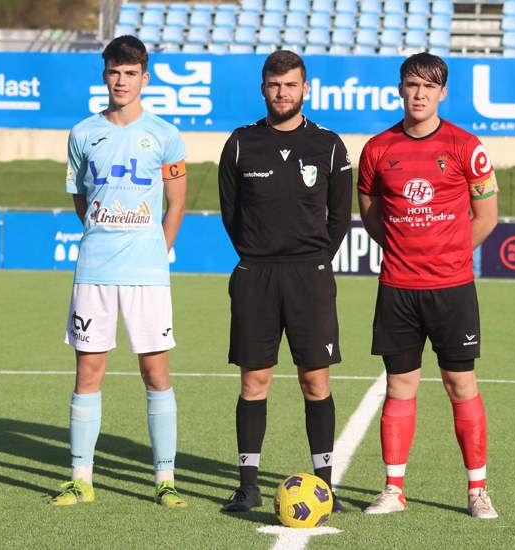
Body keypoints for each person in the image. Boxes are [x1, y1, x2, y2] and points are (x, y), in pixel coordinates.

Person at [357, 52, 500, 518]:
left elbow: (487, 216)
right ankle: (393, 490)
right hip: (398, 288)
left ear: (442, 93)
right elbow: (372, 215)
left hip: (452, 289)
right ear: (399, 89)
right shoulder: (377, 149)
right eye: (411, 85)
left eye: (428, 86)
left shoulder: (465, 145)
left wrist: (451, 255)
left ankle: (477, 490)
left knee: (461, 384)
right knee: (399, 386)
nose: (419, 94)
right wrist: (403, 249)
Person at [50, 35, 188, 509]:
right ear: (104, 75)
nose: (121, 81)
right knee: (89, 371)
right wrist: (103, 231)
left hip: (146, 273)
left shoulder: (166, 135)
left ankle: (165, 479)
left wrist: (156, 249)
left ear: (145, 78)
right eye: (114, 72)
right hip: (94, 270)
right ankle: (80, 479)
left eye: (131, 73)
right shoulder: (83, 133)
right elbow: (79, 199)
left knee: (155, 371)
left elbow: (177, 203)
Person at [217, 50, 352, 513]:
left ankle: (325, 485)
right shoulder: (240, 143)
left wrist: (311, 259)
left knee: (315, 380)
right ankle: (248, 485)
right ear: (263, 89)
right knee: (255, 380)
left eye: (291, 85)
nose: (282, 93)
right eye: (274, 85)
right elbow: (231, 214)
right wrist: (258, 255)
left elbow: (340, 218)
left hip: (310, 276)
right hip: (256, 275)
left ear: (305, 88)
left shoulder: (329, 145)